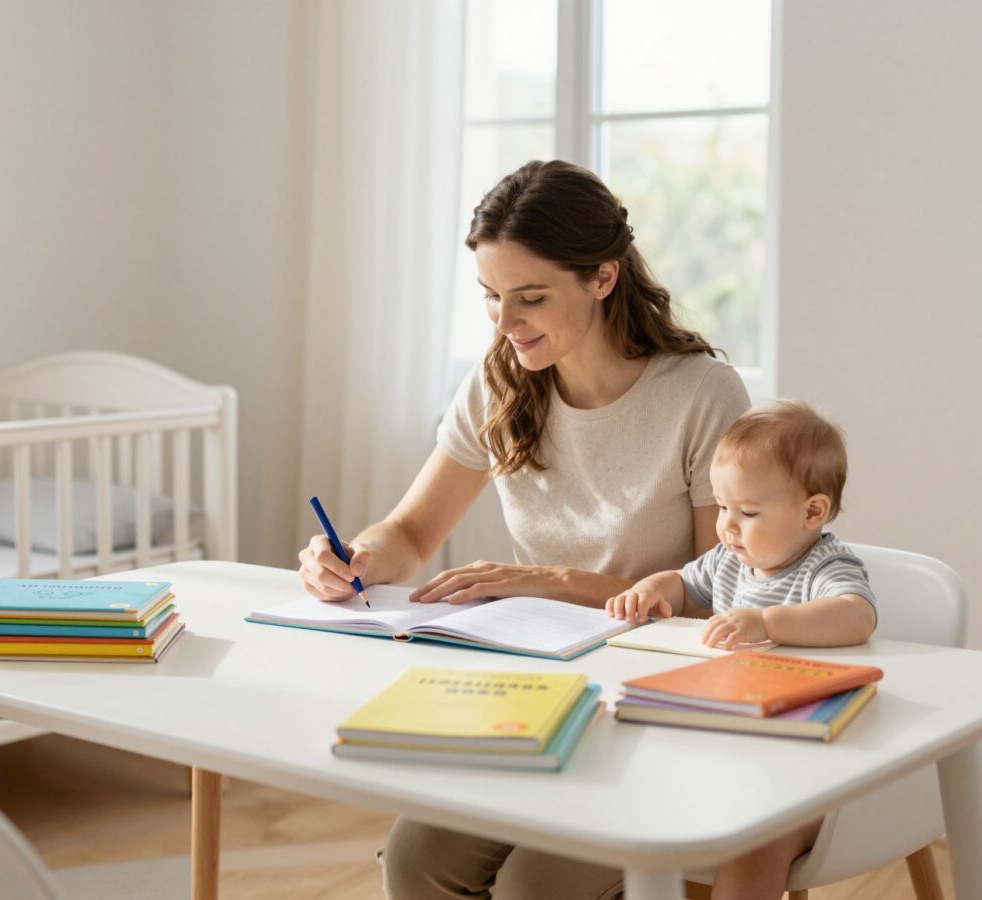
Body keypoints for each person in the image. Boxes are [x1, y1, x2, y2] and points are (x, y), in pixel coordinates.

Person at [298, 159, 750, 899]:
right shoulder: (500, 380)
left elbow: (721, 597)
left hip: (655, 704)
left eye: (530, 298)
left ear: (602, 277)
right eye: (491, 298)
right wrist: (356, 557)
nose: (505, 324)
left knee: (534, 888)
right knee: (416, 864)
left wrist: (555, 583)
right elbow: (412, 530)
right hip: (532, 691)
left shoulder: (701, 395)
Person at [605, 399, 878, 899]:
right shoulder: (728, 560)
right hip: (728, 746)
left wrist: (767, 621)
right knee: (639, 790)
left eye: (747, 512)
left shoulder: (825, 566)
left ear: (813, 511)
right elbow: (683, 586)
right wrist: (651, 590)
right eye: (723, 507)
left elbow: (856, 616)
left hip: (808, 768)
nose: (726, 525)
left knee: (757, 844)